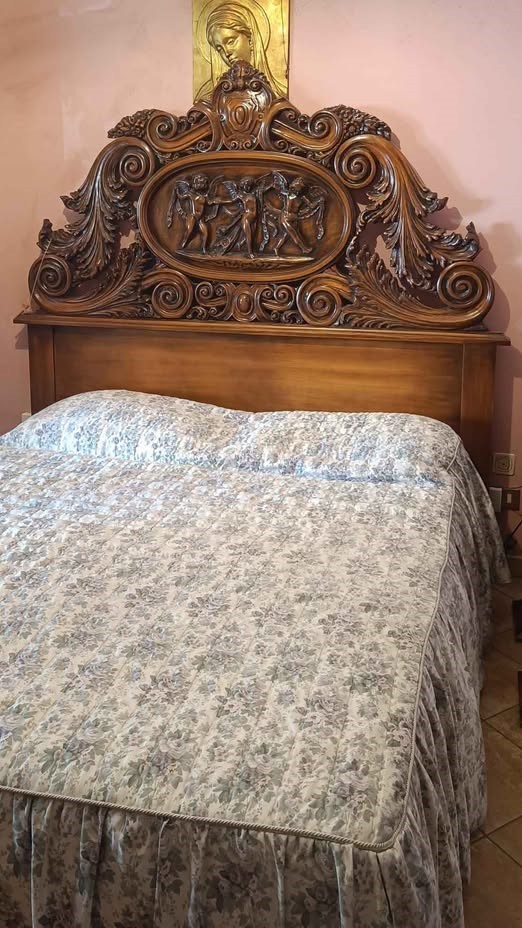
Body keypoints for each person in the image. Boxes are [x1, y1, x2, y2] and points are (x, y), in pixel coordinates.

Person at [195, 1, 286, 100]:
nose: (226, 53)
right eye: (219, 48)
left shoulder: (277, 95)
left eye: (230, 42)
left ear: (250, 40)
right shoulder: (208, 97)